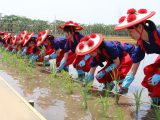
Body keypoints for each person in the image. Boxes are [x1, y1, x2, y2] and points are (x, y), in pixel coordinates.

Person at [114, 8, 160, 105]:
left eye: (131, 32)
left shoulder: (158, 35)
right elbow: (134, 67)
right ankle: (156, 105)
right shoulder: (141, 44)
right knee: (150, 78)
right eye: (128, 33)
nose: (129, 35)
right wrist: (124, 86)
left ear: (139, 27)